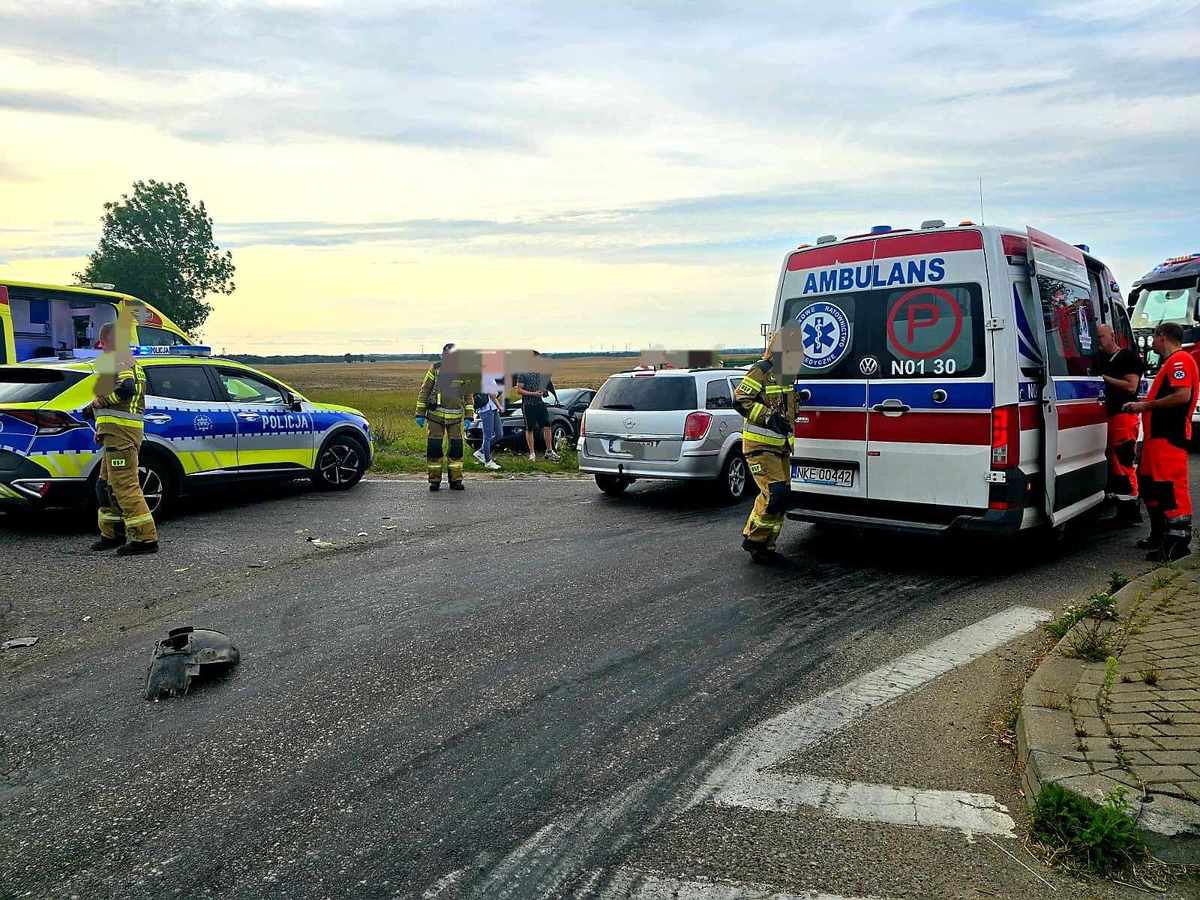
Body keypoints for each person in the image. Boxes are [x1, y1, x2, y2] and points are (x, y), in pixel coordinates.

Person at [1124, 322, 1200, 561]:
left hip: (1169, 435)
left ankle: (1177, 543)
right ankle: (1160, 534)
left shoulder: (1180, 361)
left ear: (1162, 337)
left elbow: (1182, 395)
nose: (1152, 343)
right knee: (1150, 485)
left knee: (1170, 487)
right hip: (1156, 437)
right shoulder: (1171, 363)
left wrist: (1146, 405)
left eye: (1155, 337)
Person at [90, 322, 158, 555]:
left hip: (122, 435)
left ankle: (145, 539)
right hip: (114, 434)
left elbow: (126, 389)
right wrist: (96, 415)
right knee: (105, 485)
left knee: (124, 486)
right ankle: (112, 534)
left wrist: (100, 401)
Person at [734, 331, 795, 564]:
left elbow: (786, 408)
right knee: (775, 494)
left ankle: (766, 544)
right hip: (760, 446)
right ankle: (755, 541)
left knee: (782, 497)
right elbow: (740, 399)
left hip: (780, 447)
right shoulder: (761, 369)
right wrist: (768, 417)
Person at [1095, 324, 1144, 525]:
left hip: (1124, 416)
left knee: (1124, 462)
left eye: (1101, 336)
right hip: (1112, 416)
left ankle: (1131, 511)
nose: (1098, 341)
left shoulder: (1127, 358)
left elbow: (1131, 386)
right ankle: (1123, 508)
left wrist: (1104, 379)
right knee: (1115, 462)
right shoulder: (1104, 359)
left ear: (1112, 336)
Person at [415, 342, 475, 491]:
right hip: (435, 417)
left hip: (455, 419)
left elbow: (468, 396)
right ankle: (434, 480)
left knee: (456, 449)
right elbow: (424, 391)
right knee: (434, 448)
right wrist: (420, 414)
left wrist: (469, 417)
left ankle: (456, 480)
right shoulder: (435, 369)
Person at [516, 352, 560, 462]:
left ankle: (549, 451)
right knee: (529, 428)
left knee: (547, 426)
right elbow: (519, 390)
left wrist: (544, 391)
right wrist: (534, 393)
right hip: (528, 405)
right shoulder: (523, 373)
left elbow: (545, 385)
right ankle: (532, 454)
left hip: (539, 403)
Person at [472, 370, 504, 471]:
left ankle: (480, 452)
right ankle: (488, 461)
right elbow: (492, 394)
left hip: (493, 408)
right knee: (488, 436)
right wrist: (499, 406)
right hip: (486, 409)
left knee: (499, 434)